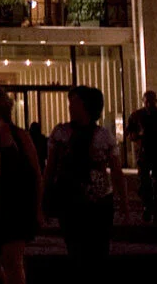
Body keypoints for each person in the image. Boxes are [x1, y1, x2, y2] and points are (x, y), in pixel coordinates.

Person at [45, 85, 129, 270]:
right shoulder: (61, 133)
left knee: (97, 248)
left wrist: (123, 201)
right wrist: (45, 197)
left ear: (87, 105)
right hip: (70, 198)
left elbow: (116, 171)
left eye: (74, 102)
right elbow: (50, 169)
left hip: (98, 200)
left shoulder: (102, 136)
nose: (70, 107)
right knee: (75, 248)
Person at [0, 89, 42, 284]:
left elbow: (36, 173)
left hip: (16, 206)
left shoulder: (18, 136)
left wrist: (38, 207)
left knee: (12, 261)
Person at [125, 89, 157, 225]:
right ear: (144, 101)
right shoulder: (137, 116)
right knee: (144, 182)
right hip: (144, 153)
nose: (149, 104)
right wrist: (137, 137)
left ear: (155, 101)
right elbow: (129, 132)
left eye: (151, 101)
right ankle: (148, 207)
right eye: (147, 101)